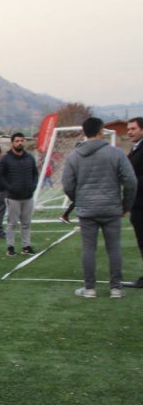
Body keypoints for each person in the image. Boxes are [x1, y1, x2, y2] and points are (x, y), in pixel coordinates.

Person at [63, 117, 137, 298]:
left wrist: (78, 200)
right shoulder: (116, 153)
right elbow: (130, 182)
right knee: (114, 248)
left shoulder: (74, 156)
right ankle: (116, 288)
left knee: (88, 248)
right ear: (101, 132)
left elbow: (67, 184)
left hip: (87, 210)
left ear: (84, 132)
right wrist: (125, 205)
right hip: (112, 208)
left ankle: (89, 289)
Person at [0, 133, 39, 256]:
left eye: (21, 140)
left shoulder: (29, 158)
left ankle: (26, 246)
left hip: (28, 196)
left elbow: (35, 173)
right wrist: (10, 187)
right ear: (12, 143)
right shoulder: (6, 159)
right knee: (12, 223)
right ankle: (10, 247)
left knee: (26, 223)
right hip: (13, 197)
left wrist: (33, 186)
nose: (20, 143)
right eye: (17, 141)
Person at [126, 117, 143, 287]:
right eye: (128, 129)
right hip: (136, 203)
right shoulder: (135, 148)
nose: (129, 132)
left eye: (133, 129)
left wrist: (130, 181)